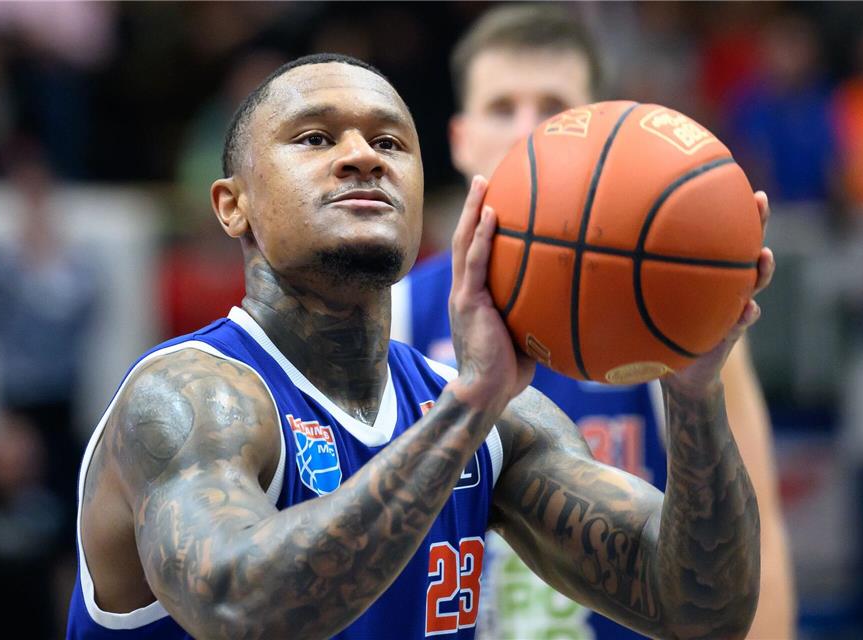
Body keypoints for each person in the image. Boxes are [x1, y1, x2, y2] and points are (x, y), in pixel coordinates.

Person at [67, 52, 771, 639]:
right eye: (314, 138)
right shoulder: (186, 399)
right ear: (233, 204)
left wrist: (691, 391)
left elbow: (698, 611)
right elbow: (240, 607)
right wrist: (468, 406)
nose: (360, 157)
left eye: (391, 142)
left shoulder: (491, 422)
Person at [391, 6, 795, 640]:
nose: (526, 131)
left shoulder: (677, 329)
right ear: (461, 138)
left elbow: (755, 554)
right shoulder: (397, 317)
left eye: (553, 110)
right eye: (502, 108)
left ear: (601, 133)